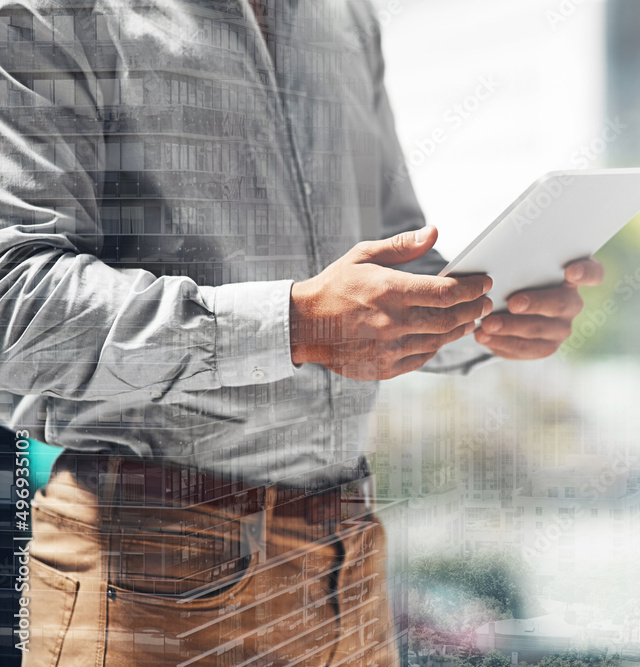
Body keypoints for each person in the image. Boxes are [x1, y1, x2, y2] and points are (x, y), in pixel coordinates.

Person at [0, 0, 604, 664]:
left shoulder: (345, 17)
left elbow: (390, 265)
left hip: (349, 570)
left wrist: (486, 313)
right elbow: (17, 306)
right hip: (151, 579)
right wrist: (298, 322)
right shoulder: (52, 13)